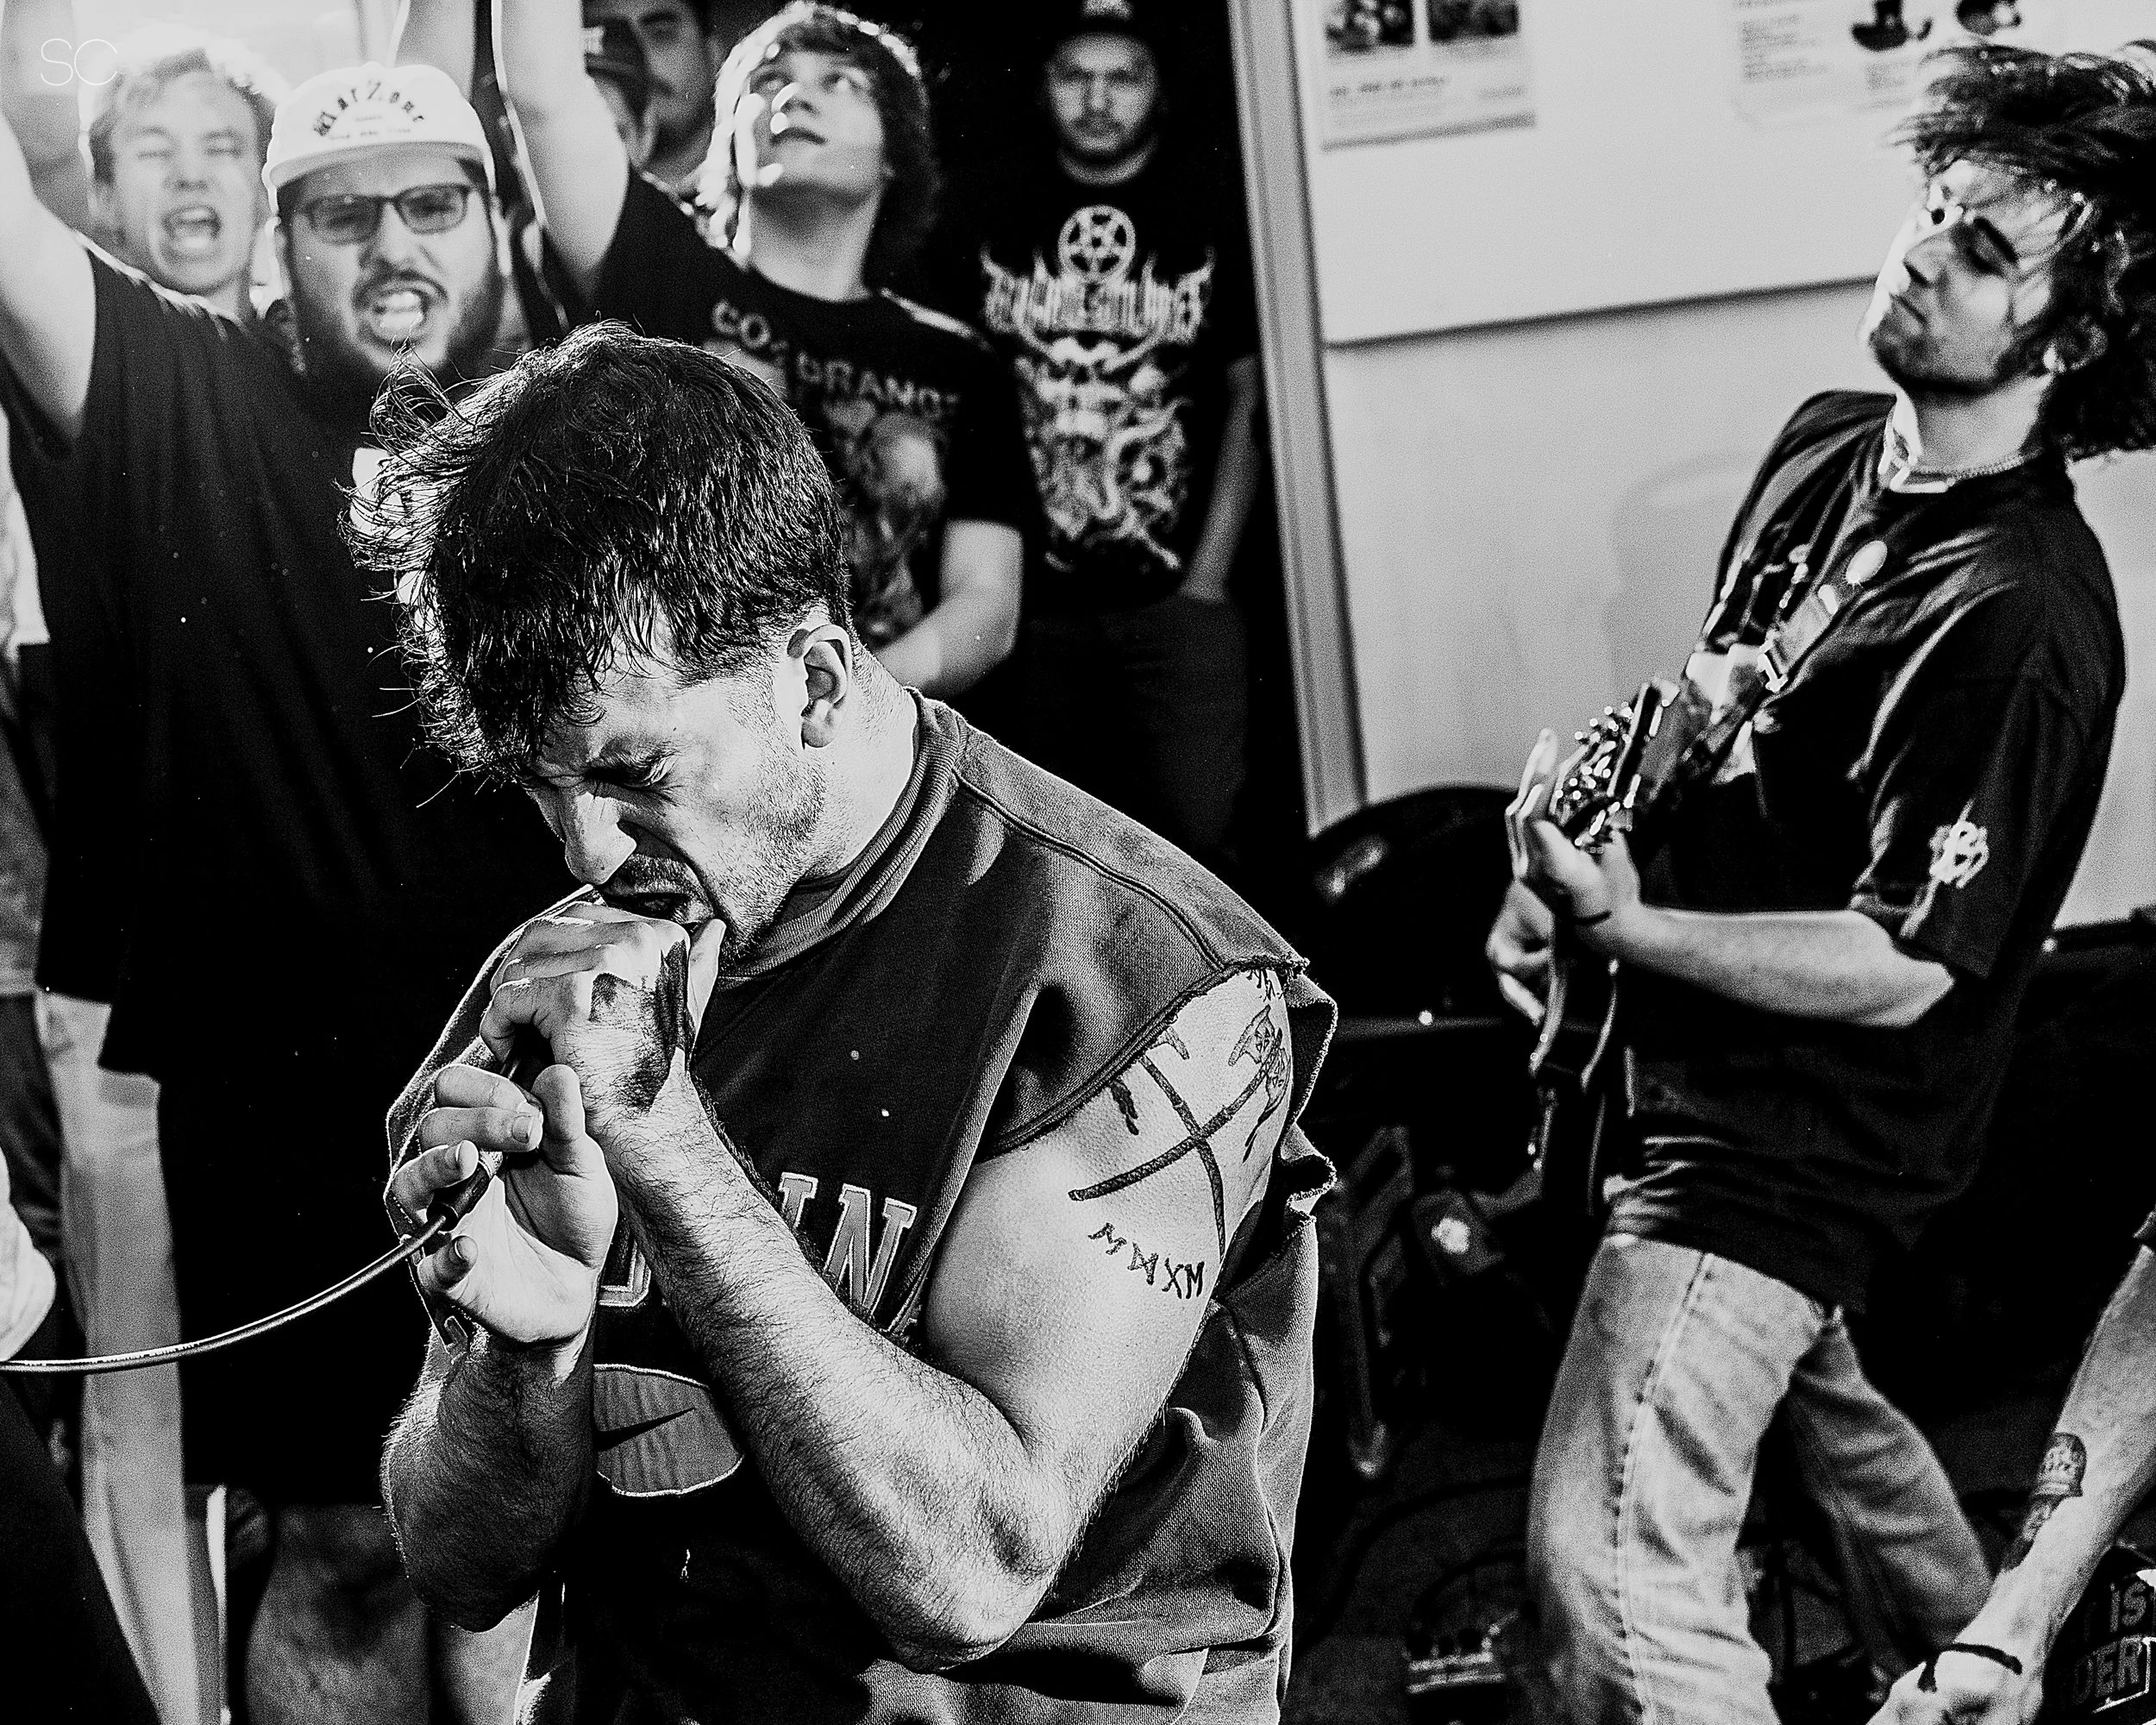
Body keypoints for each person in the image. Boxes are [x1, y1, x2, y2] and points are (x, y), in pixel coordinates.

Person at [369, 323, 1333, 1722]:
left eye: (634, 773)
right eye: (539, 786)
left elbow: (972, 1574)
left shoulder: (1134, 981)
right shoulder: (586, 968)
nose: (586, 850)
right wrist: (525, 1350)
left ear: (815, 678)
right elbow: (459, 1569)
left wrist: (666, 1151)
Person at [1485, 39, 2156, 1725]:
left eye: (1982, 253)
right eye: (1935, 212)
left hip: (1786, 1162)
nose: (1921, 253)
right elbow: (1717, 704)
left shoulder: (2017, 617)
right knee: (1841, 1461)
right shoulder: (1826, 444)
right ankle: (2009, 1671)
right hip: (1680, 1080)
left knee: (1611, 1593)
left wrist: (1634, 927)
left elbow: (1900, 962)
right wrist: (1573, 858)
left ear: (2075, 340)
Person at [0, 54, 567, 1723]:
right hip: (299, 1109)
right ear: (279, 237)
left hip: (561, 1081)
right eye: (341, 215)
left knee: (565, 1545)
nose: (391, 246)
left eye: (432, 204)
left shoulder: (571, 424)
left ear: (493, 220)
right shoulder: (191, 388)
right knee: (347, 1542)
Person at [504, 0, 1034, 702]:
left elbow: (987, 607)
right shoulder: (661, 267)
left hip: (878, 733)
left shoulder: (959, 364)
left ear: (894, 154)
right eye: (768, 81)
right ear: (730, 142)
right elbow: (541, 90)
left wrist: (849, 703)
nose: (795, 96)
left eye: (841, 82)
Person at [951, 0, 1263, 869]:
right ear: (1042, 86)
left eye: (1122, 77)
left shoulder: (1210, 208)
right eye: (1076, 76)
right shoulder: (989, 209)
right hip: (1027, 606)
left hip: (1173, 596)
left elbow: (1252, 394)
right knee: (1045, 848)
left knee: (1197, 836)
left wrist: (1207, 578)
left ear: (1159, 90)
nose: (1097, 99)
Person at [582, 0, 761, 195]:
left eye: (660, 33)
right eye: (613, 38)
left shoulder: (764, 195)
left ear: (713, 55)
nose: (636, 54)